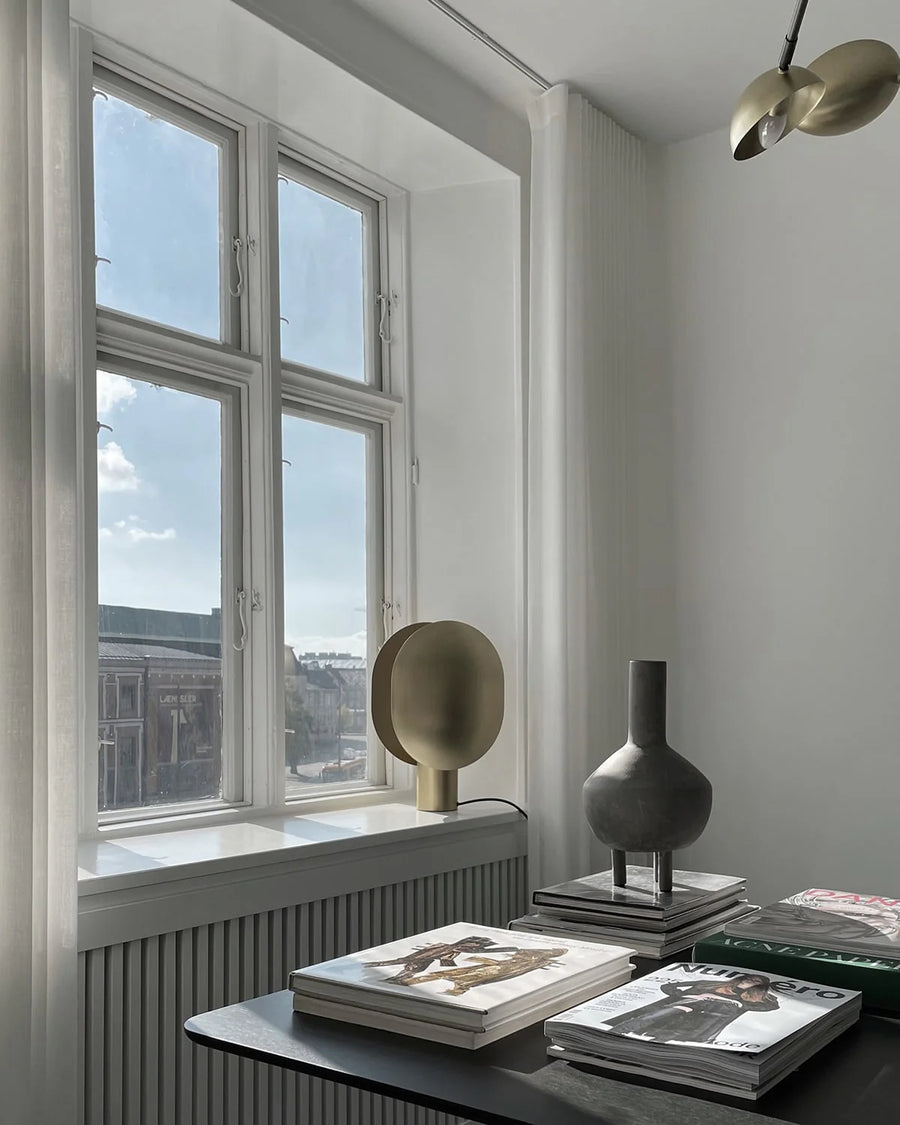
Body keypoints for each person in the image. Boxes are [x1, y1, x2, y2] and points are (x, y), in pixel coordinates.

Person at [604, 973, 779, 1044]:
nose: (750, 981)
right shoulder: (711, 983)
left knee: (671, 1035)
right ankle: (610, 1037)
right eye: (750, 978)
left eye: (756, 983)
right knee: (651, 1018)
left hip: (713, 1014)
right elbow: (670, 986)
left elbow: (772, 1006)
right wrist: (680, 994)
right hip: (687, 1003)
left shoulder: (748, 999)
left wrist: (759, 992)